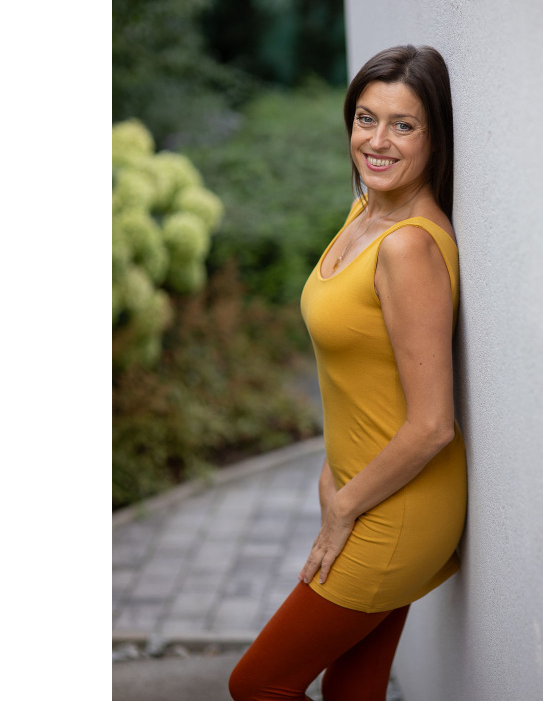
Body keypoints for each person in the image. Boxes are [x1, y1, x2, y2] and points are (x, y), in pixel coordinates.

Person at [229, 44, 468, 701]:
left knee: (258, 685)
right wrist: (333, 472)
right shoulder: (367, 211)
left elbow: (432, 425)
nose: (377, 141)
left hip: (396, 509)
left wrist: (342, 507)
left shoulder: (407, 247)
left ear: (435, 137)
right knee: (351, 692)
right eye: (367, 118)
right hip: (365, 490)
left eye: (403, 125)